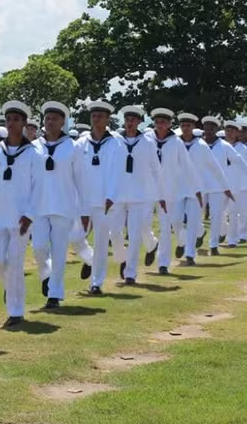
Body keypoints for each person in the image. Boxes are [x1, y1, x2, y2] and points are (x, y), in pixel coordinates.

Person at [0, 101, 36, 327]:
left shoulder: (33, 153)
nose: (12, 123)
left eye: (16, 119)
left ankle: (15, 311)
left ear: (24, 123)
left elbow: (39, 187)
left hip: (21, 218)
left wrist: (30, 214)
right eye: (8, 119)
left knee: (15, 263)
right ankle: (10, 287)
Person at [31, 101, 83, 309]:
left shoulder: (73, 147)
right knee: (38, 248)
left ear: (63, 122)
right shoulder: (34, 147)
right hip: (39, 205)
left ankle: (55, 294)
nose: (50, 122)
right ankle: (47, 275)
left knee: (59, 251)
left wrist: (83, 209)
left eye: (55, 118)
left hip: (63, 205)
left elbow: (80, 178)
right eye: (47, 118)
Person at [109, 106, 163, 285]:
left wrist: (159, 193)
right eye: (127, 119)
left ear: (140, 121)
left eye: (134, 119)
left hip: (139, 195)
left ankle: (130, 272)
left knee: (134, 234)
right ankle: (122, 258)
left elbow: (156, 168)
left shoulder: (147, 142)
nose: (130, 122)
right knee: (115, 232)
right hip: (118, 193)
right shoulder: (115, 140)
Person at [74, 101, 121, 294]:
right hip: (83, 200)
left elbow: (118, 172)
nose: (96, 118)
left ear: (108, 119)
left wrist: (111, 196)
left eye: (101, 115)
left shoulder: (115, 142)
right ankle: (90, 259)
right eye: (94, 115)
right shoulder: (81, 143)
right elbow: (75, 172)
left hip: (105, 201)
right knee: (75, 238)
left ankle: (96, 283)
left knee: (101, 242)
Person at [150, 110, 202, 272]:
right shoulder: (146, 139)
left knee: (166, 228)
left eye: (164, 122)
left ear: (169, 124)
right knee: (143, 226)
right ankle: (152, 244)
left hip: (168, 191)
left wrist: (197, 189)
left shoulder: (176, 143)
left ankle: (163, 264)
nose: (160, 125)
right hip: (146, 189)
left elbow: (188, 167)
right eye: (158, 121)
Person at [195, 116, 238, 255]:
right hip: (199, 185)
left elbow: (239, 161)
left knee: (216, 216)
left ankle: (213, 245)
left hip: (218, 186)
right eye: (206, 128)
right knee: (195, 214)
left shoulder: (224, 146)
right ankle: (200, 232)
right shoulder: (198, 144)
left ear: (216, 129)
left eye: (211, 128)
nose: (208, 131)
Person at [223, 121, 247, 246]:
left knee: (243, 212)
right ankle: (231, 238)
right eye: (227, 131)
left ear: (237, 133)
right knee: (230, 213)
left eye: (232, 131)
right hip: (225, 184)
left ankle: (243, 234)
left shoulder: (242, 149)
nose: (229, 134)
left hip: (242, 185)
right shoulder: (221, 146)